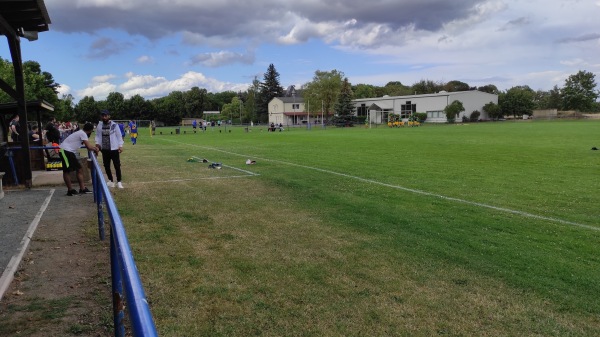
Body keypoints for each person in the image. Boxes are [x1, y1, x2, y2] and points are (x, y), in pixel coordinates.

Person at [59, 122, 98, 196]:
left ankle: (82, 189)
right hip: (65, 151)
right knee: (67, 171)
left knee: (79, 169)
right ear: (90, 130)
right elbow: (89, 147)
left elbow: (88, 146)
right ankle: (70, 190)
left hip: (69, 152)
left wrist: (94, 148)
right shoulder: (83, 133)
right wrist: (96, 148)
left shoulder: (81, 132)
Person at [95, 110, 125, 188]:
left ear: (109, 116)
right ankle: (111, 181)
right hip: (104, 149)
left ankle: (119, 182)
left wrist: (120, 145)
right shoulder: (99, 125)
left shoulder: (114, 125)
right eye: (103, 116)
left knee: (117, 165)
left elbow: (119, 136)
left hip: (114, 149)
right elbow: (97, 136)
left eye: (106, 116)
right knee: (106, 165)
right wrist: (97, 143)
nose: (104, 117)